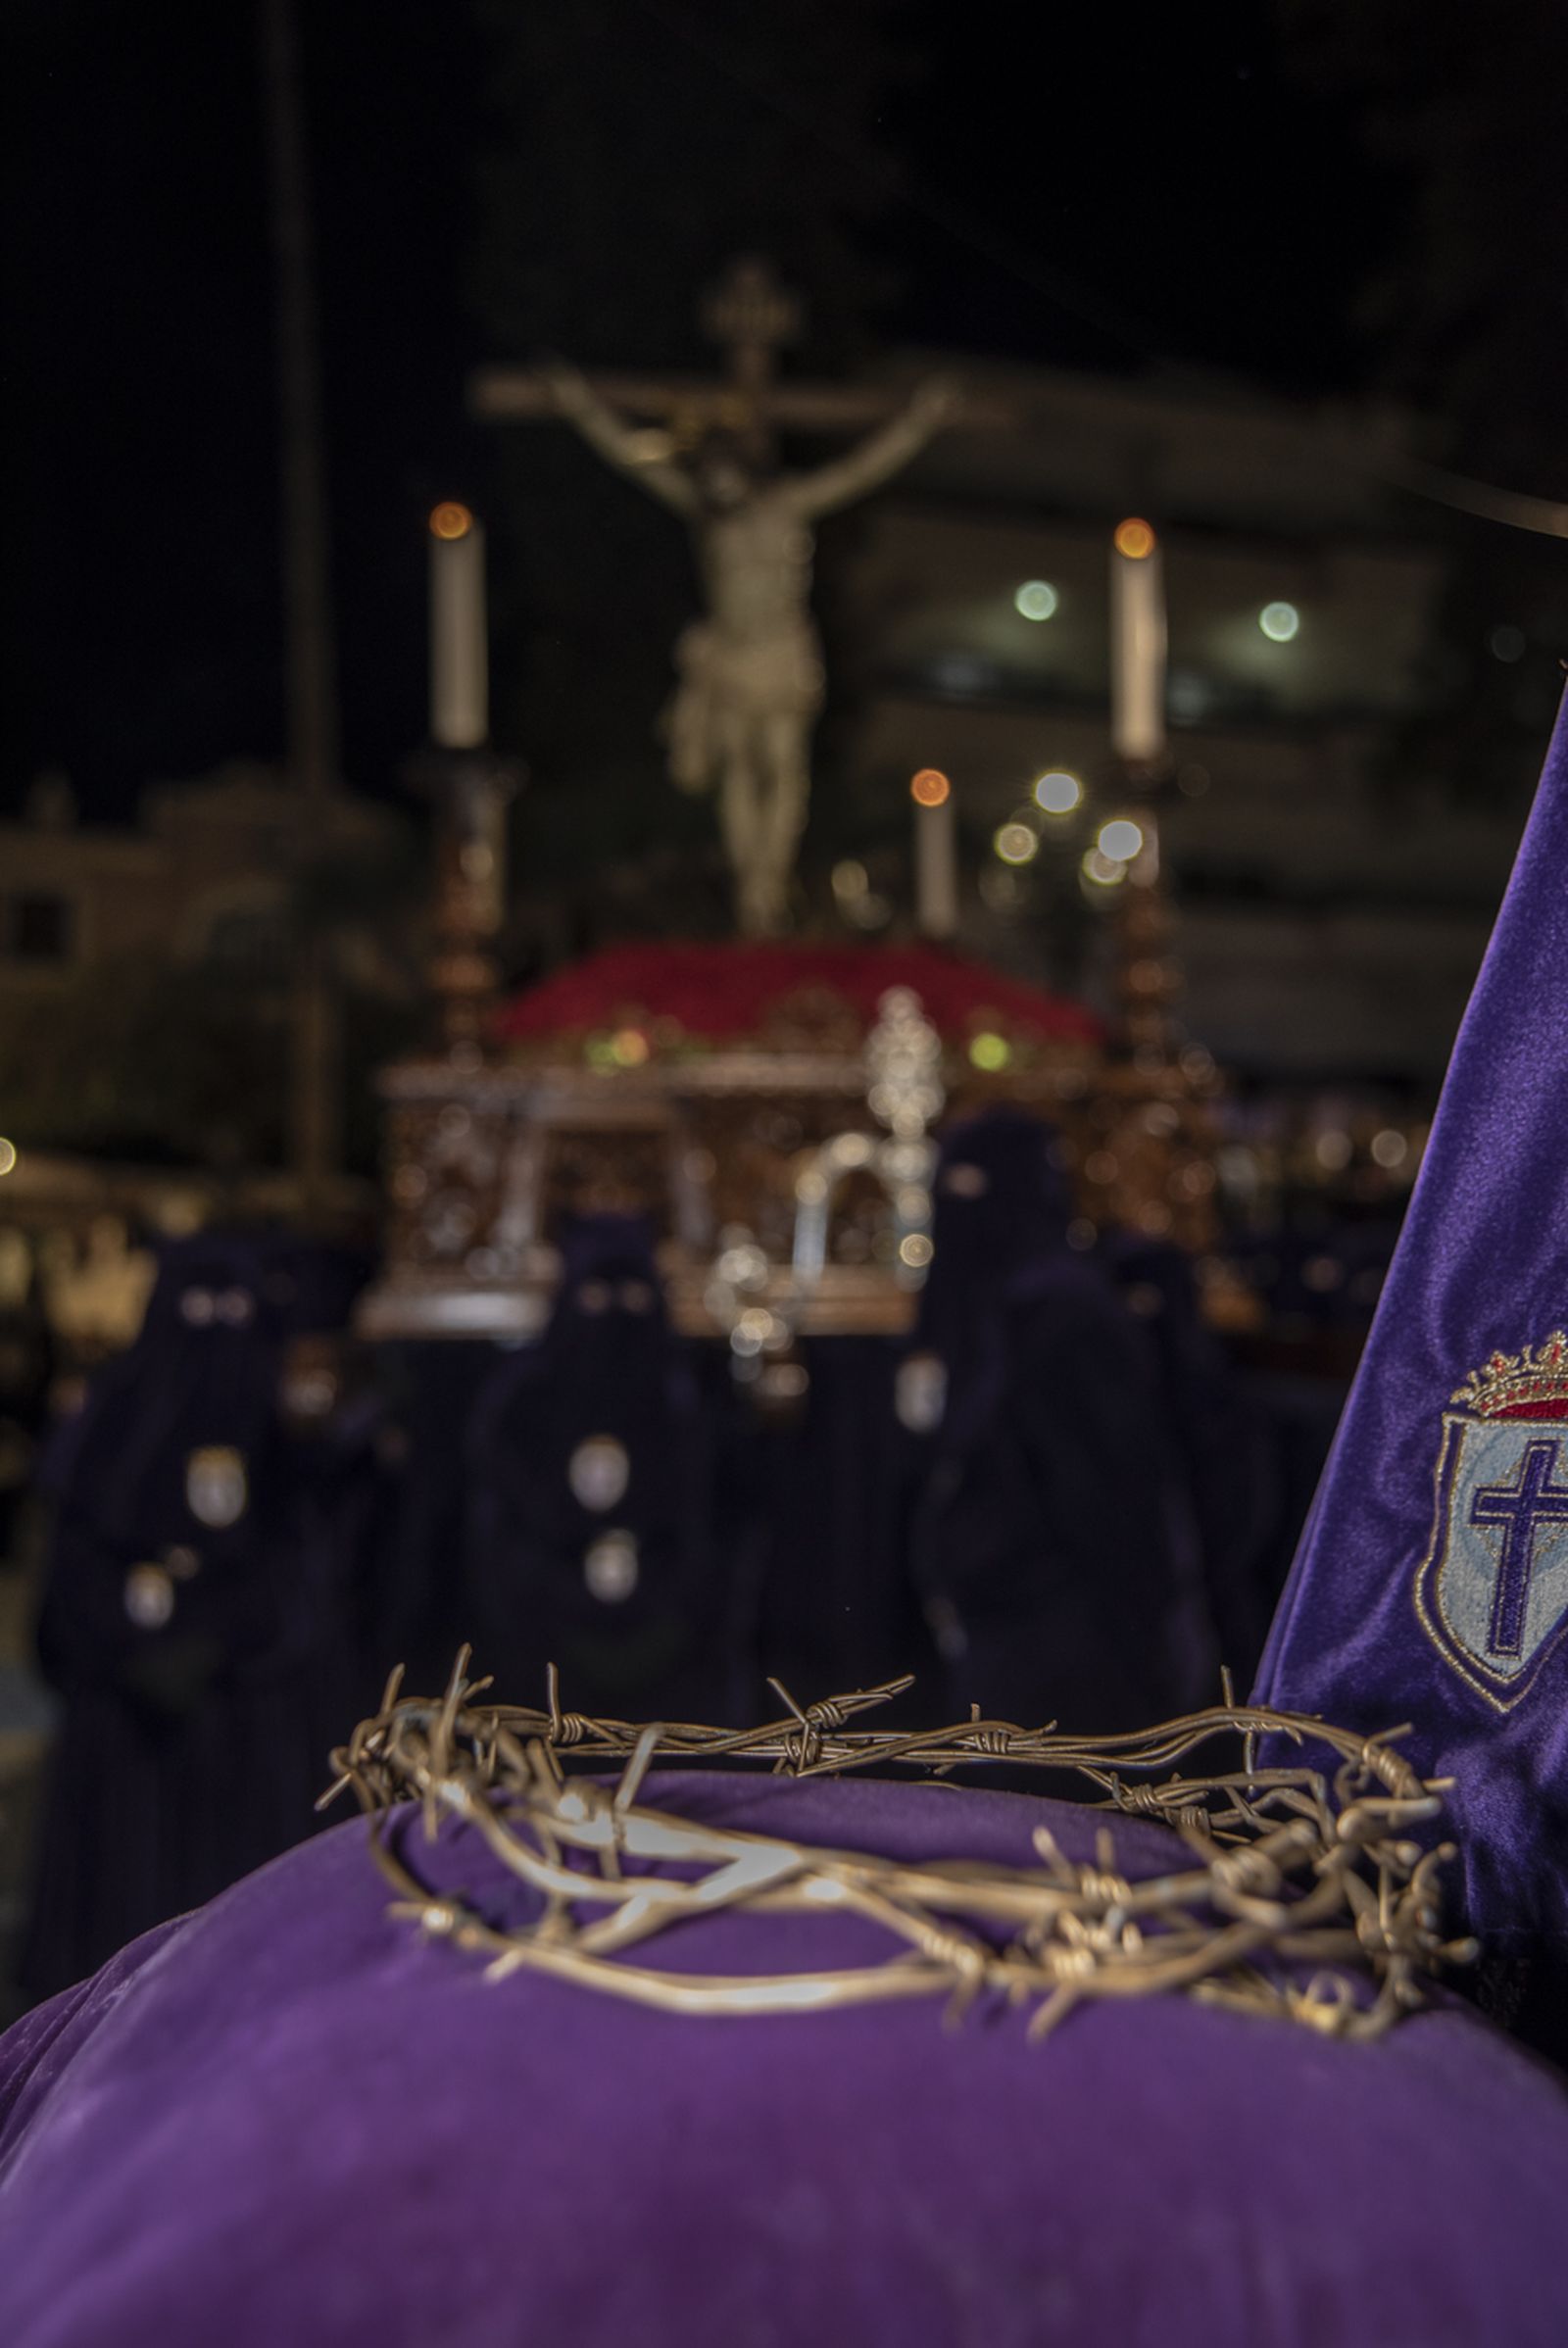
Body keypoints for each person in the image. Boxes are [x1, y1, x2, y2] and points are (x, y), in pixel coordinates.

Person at [21, 1229, 367, 1996]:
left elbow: (313, 1589)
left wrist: (220, 1639)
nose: (214, 1329)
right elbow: (63, 1600)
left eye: (233, 1306)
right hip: (127, 1757)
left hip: (251, 1751)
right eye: (196, 1304)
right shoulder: (107, 1430)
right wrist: (135, 1650)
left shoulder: (292, 1444)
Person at [546, 361, 956, 934]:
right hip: (733, 657)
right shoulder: (707, 516)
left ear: (744, 469)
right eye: (709, 479)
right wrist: (583, 409)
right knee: (739, 774)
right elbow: (633, 462)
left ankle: (772, 879)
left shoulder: (788, 505)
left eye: (725, 476)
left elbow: (860, 470)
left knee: (783, 768)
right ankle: (751, 894)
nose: (718, 488)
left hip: (781, 653)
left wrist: (917, 425)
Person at [901, 1108, 1180, 1732]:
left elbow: (1110, 1501)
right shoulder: (978, 1309)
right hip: (993, 1627)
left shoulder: (1063, 1315)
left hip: (1066, 1643)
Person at [465, 1217, 722, 1720]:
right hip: (545, 1655)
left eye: (632, 1297)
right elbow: (502, 1531)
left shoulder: (688, 1398)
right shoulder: (523, 1405)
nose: (615, 1317)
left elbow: (709, 1524)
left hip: (671, 1652)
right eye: (596, 1297)